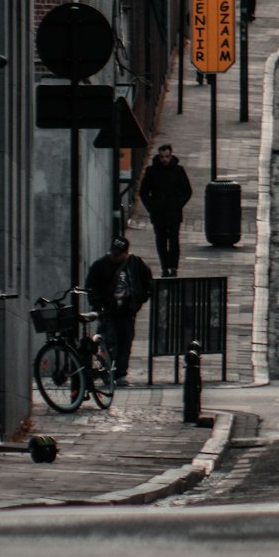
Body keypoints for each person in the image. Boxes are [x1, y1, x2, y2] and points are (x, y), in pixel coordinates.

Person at [84, 236, 152, 384]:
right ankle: (109, 371)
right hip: (108, 310)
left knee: (125, 341)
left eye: (118, 254)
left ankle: (120, 373)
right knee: (110, 341)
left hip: (127, 310)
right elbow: (91, 286)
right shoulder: (100, 265)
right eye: (113, 253)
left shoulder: (134, 264)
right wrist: (97, 305)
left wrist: (142, 297)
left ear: (125, 253)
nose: (115, 257)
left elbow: (148, 280)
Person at [139, 143, 193, 277]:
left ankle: (173, 267)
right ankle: (164, 267)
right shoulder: (151, 171)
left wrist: (178, 204)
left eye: (167, 157)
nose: (165, 160)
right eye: (162, 157)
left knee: (174, 240)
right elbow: (144, 192)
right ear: (159, 156)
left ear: (171, 156)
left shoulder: (178, 170)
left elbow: (187, 191)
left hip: (173, 212)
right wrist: (151, 208)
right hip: (158, 213)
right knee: (161, 241)